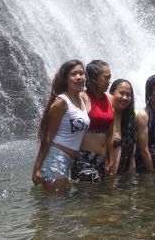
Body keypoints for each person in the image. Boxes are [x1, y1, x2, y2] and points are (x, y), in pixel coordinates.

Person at [31, 59, 90, 193]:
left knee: (59, 208)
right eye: (73, 74)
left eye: (81, 73)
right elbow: (47, 137)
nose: (78, 77)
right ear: (65, 79)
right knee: (56, 207)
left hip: (70, 161)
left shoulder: (81, 100)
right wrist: (37, 168)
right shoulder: (61, 102)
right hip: (56, 159)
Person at [71, 60, 115, 182]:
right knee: (87, 196)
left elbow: (110, 134)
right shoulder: (81, 97)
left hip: (102, 158)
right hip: (84, 156)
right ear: (94, 78)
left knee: (98, 197)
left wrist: (110, 158)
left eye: (110, 78)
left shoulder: (110, 99)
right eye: (106, 77)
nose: (109, 81)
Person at [109, 78, 137, 175]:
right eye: (121, 93)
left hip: (126, 176)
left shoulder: (131, 118)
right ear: (111, 93)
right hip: (108, 176)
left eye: (128, 95)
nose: (125, 98)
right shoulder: (104, 117)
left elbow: (131, 151)